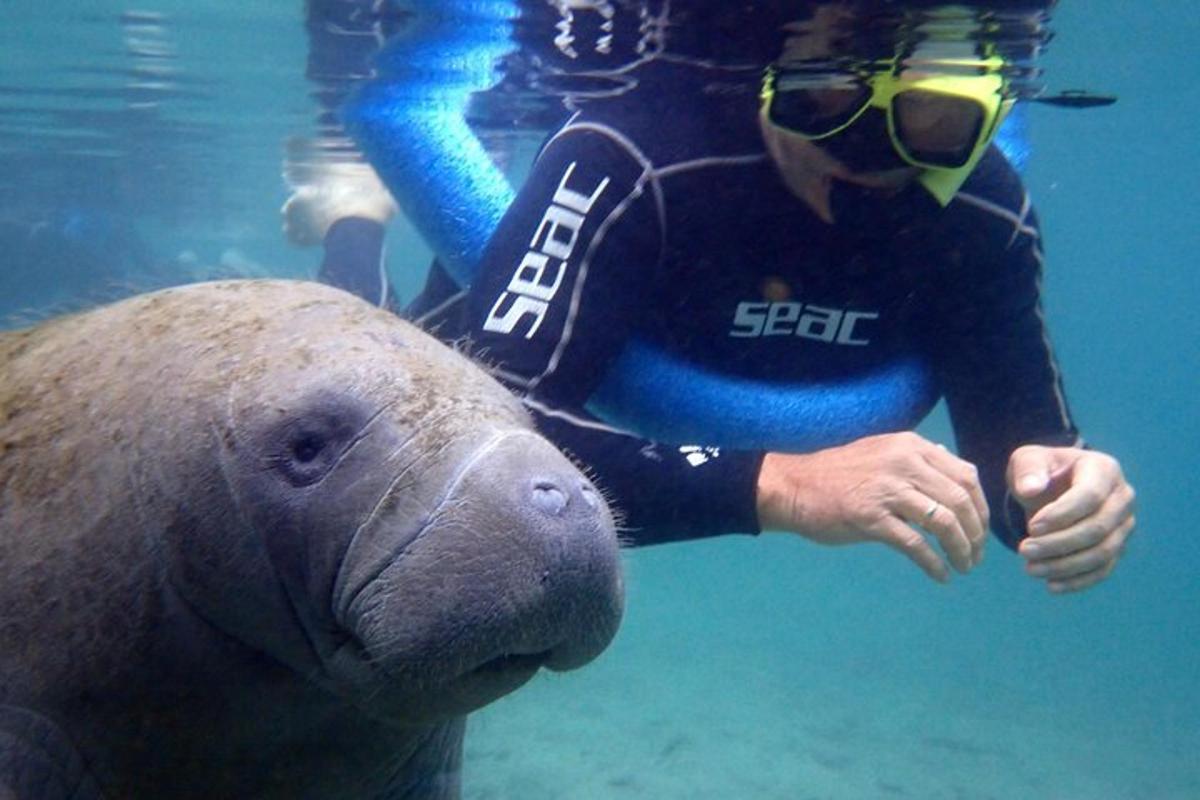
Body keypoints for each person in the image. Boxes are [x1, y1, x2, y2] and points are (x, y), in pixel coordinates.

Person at [288, 0, 1136, 594]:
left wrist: (1061, 498)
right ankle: (353, 222)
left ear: (988, 109)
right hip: (591, 312)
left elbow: (1020, 448)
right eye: (827, 99)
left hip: (688, 362)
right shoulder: (631, 159)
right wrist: (781, 486)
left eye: (934, 119)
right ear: (771, 73)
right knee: (361, 413)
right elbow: (479, 438)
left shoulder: (982, 213)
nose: (870, 153)